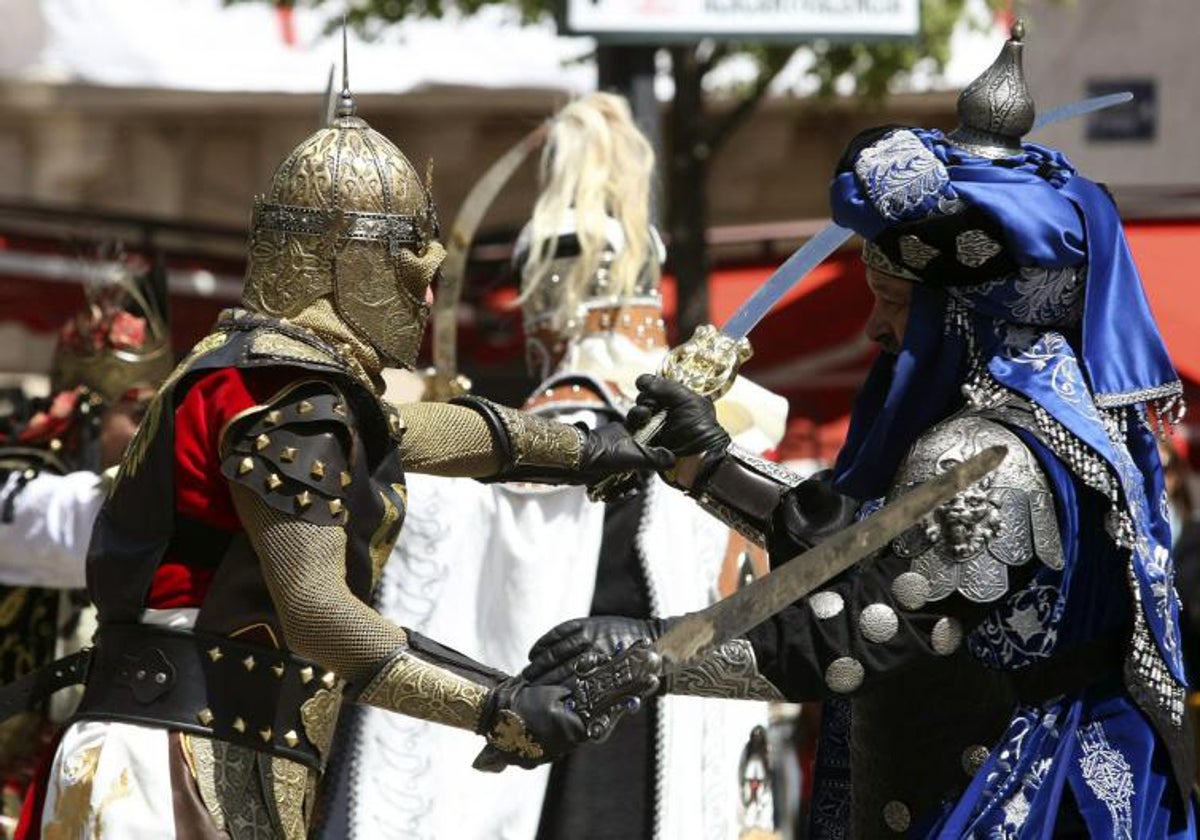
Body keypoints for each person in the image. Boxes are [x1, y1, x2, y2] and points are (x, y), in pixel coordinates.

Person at [526, 22, 1196, 838]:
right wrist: (706, 464)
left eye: (897, 303)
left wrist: (650, 652)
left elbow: (860, 629)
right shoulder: (1047, 421)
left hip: (1015, 795)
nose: (877, 330)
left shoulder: (987, 455)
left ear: (965, 309)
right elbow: (867, 541)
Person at [21, 70, 670, 839]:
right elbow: (320, 617)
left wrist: (594, 448)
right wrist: (496, 706)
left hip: (179, 744)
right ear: (347, 265)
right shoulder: (289, 397)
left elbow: (412, 432)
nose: (426, 300)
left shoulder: (252, 372)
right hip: (179, 766)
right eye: (409, 271)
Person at [322, 91, 787, 840]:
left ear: (545, 302)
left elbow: (474, 533)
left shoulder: (577, 431)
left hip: (611, 747)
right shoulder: (726, 442)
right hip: (650, 743)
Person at [0, 266, 170, 837]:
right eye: (139, 417)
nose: (153, 435)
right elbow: (75, 526)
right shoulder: (16, 484)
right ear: (89, 411)